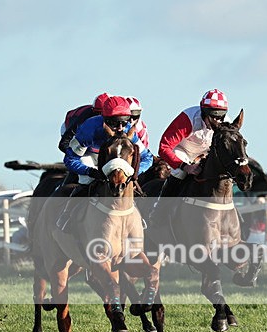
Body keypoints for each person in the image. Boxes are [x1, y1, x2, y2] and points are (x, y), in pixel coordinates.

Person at [56, 96, 153, 231]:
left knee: (129, 181)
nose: (120, 128)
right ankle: (68, 214)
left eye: (124, 123)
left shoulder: (129, 129)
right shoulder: (90, 129)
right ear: (105, 120)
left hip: (112, 155)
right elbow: (70, 159)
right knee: (86, 179)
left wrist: (134, 172)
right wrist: (90, 171)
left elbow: (148, 158)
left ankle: (137, 216)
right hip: (89, 154)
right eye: (114, 123)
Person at [148, 89, 229, 223]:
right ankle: (159, 211)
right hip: (182, 151)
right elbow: (164, 147)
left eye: (220, 116)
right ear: (204, 112)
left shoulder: (226, 123)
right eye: (213, 116)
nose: (217, 120)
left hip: (205, 154)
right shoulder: (188, 118)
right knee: (180, 173)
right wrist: (184, 166)